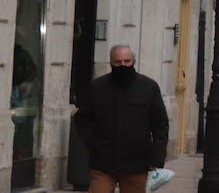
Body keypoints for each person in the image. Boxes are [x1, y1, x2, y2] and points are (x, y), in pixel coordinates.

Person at [72, 44, 168, 193]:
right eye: (118, 62)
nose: (123, 65)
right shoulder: (97, 88)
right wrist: (93, 143)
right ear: (111, 63)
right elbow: (82, 119)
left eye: (127, 61)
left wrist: (157, 158)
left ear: (134, 61)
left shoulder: (149, 87)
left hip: (136, 163)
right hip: (103, 162)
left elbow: (160, 124)